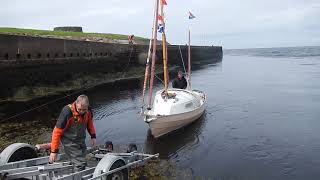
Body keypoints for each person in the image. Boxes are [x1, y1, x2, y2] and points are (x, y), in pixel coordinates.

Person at [49, 94, 96, 171]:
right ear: (76, 104)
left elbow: (90, 123)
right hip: (69, 141)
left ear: (87, 106)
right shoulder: (67, 111)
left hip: (80, 139)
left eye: (84, 110)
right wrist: (54, 151)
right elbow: (56, 132)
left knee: (82, 157)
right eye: (79, 109)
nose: (82, 112)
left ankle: (73, 168)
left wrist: (93, 136)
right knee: (80, 164)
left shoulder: (88, 111)